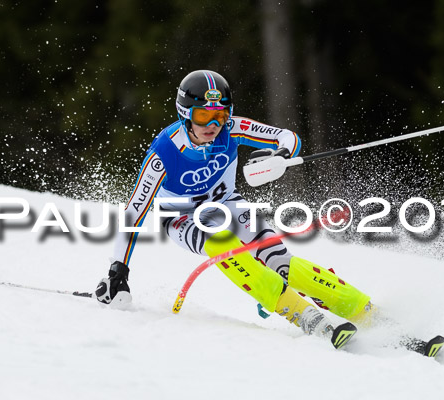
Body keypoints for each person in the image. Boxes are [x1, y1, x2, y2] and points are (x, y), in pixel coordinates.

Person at [95, 70, 373, 349]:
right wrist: (118, 270)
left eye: (221, 115)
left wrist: (281, 156)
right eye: (203, 115)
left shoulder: (232, 129)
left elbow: (287, 137)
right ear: (185, 113)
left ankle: (361, 309)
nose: (213, 125)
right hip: (182, 218)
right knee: (221, 242)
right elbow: (134, 212)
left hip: (227, 204)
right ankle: (304, 315)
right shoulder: (164, 153)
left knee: (279, 260)